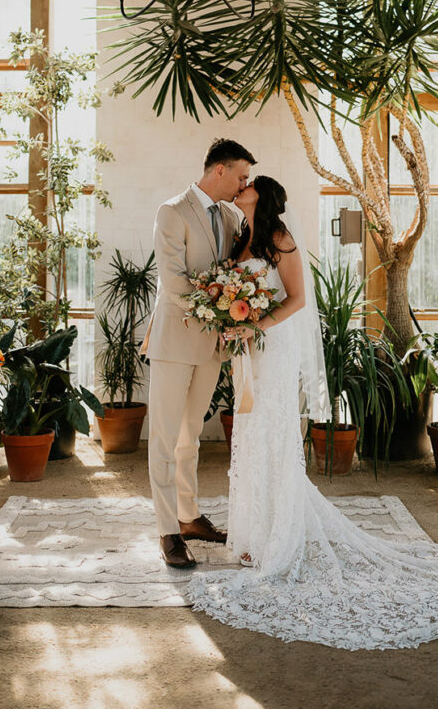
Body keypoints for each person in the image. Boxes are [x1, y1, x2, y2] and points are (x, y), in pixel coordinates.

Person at [188, 175, 438, 649]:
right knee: (250, 435)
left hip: (270, 347)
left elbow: (296, 300)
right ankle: (252, 533)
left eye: (249, 183)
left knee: (272, 431)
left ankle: (280, 536)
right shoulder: (241, 237)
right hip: (247, 349)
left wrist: (255, 320)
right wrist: (231, 320)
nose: (241, 186)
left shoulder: (280, 238)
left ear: (266, 194)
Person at [143, 138, 256, 569]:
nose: (243, 184)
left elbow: (234, 268)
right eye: (241, 176)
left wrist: (234, 311)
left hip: (211, 344)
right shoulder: (172, 211)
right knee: (165, 439)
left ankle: (189, 517)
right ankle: (167, 531)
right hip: (175, 339)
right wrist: (221, 304)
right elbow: (173, 280)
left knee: (190, 435)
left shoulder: (229, 216)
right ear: (220, 170)